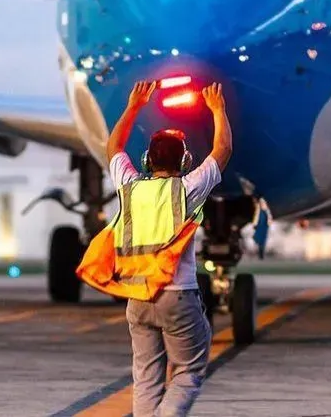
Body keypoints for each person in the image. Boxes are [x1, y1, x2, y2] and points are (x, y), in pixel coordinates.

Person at [79, 80, 233, 417]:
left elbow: (113, 147)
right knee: (189, 371)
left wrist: (134, 105)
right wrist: (218, 110)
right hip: (178, 296)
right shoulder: (187, 189)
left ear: (148, 160)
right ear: (185, 161)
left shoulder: (129, 188)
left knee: (146, 378)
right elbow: (222, 151)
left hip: (137, 298)